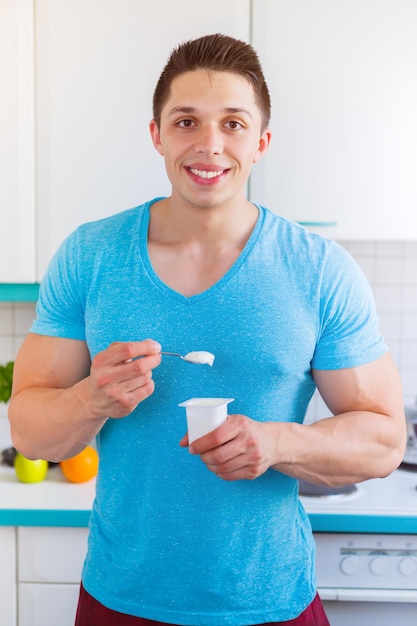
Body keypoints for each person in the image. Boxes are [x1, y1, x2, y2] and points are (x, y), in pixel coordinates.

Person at [9, 33, 405, 626]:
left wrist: (276, 443)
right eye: (187, 121)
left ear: (262, 142)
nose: (210, 145)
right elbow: (33, 435)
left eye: (234, 124)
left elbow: (384, 441)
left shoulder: (319, 269)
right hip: (120, 600)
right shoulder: (89, 257)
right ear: (157, 135)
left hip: (269, 603)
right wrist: (91, 398)